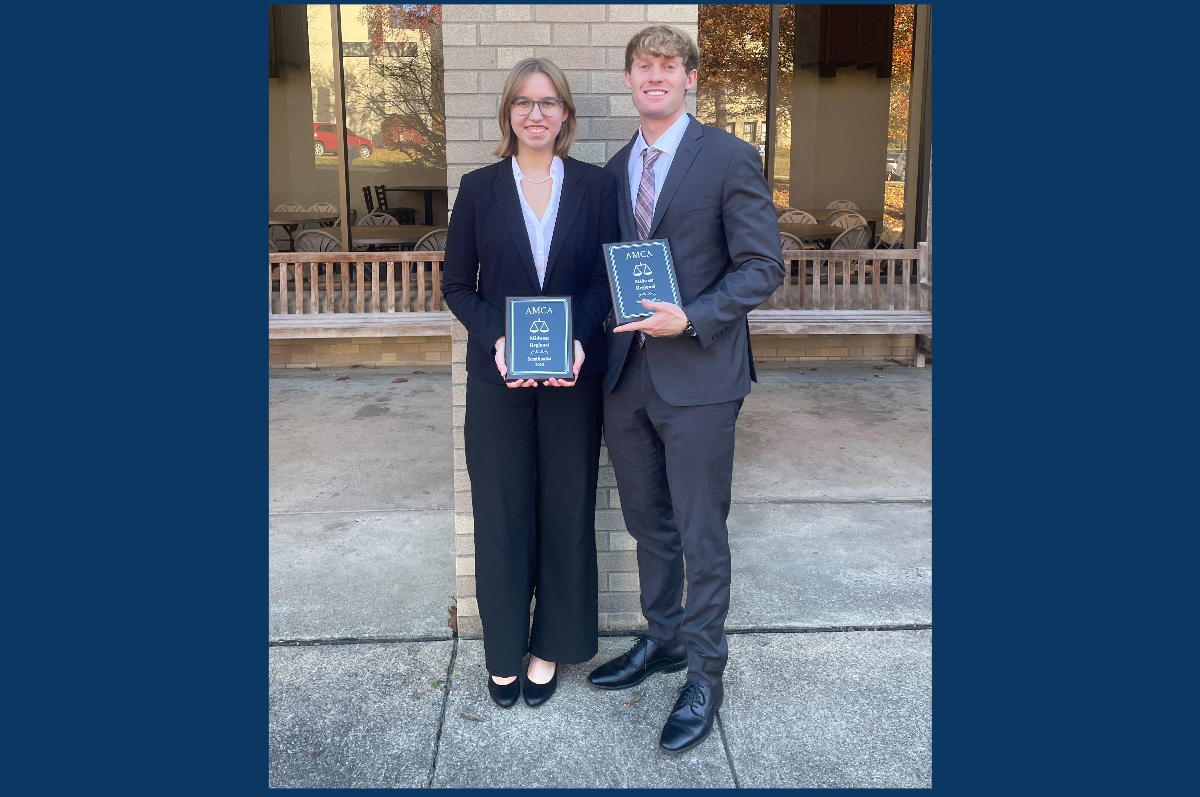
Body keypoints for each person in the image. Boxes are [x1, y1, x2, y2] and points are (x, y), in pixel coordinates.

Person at [585, 27, 785, 753]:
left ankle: (705, 670)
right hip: (624, 379)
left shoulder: (729, 158)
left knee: (701, 531)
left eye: (669, 66)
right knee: (648, 524)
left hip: (700, 377)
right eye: (644, 66)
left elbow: (764, 266)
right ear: (630, 78)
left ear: (691, 78)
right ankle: (663, 639)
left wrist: (692, 316)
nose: (656, 77)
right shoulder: (612, 170)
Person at [441, 58, 619, 710]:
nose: (536, 113)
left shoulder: (597, 189)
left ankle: (550, 647)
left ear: (565, 114)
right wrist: (498, 337)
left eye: (548, 103)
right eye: (523, 102)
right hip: (498, 379)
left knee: (567, 511)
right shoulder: (479, 188)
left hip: (574, 373)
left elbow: (605, 280)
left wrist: (578, 336)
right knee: (503, 513)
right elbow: (457, 285)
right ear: (508, 113)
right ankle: (503, 649)